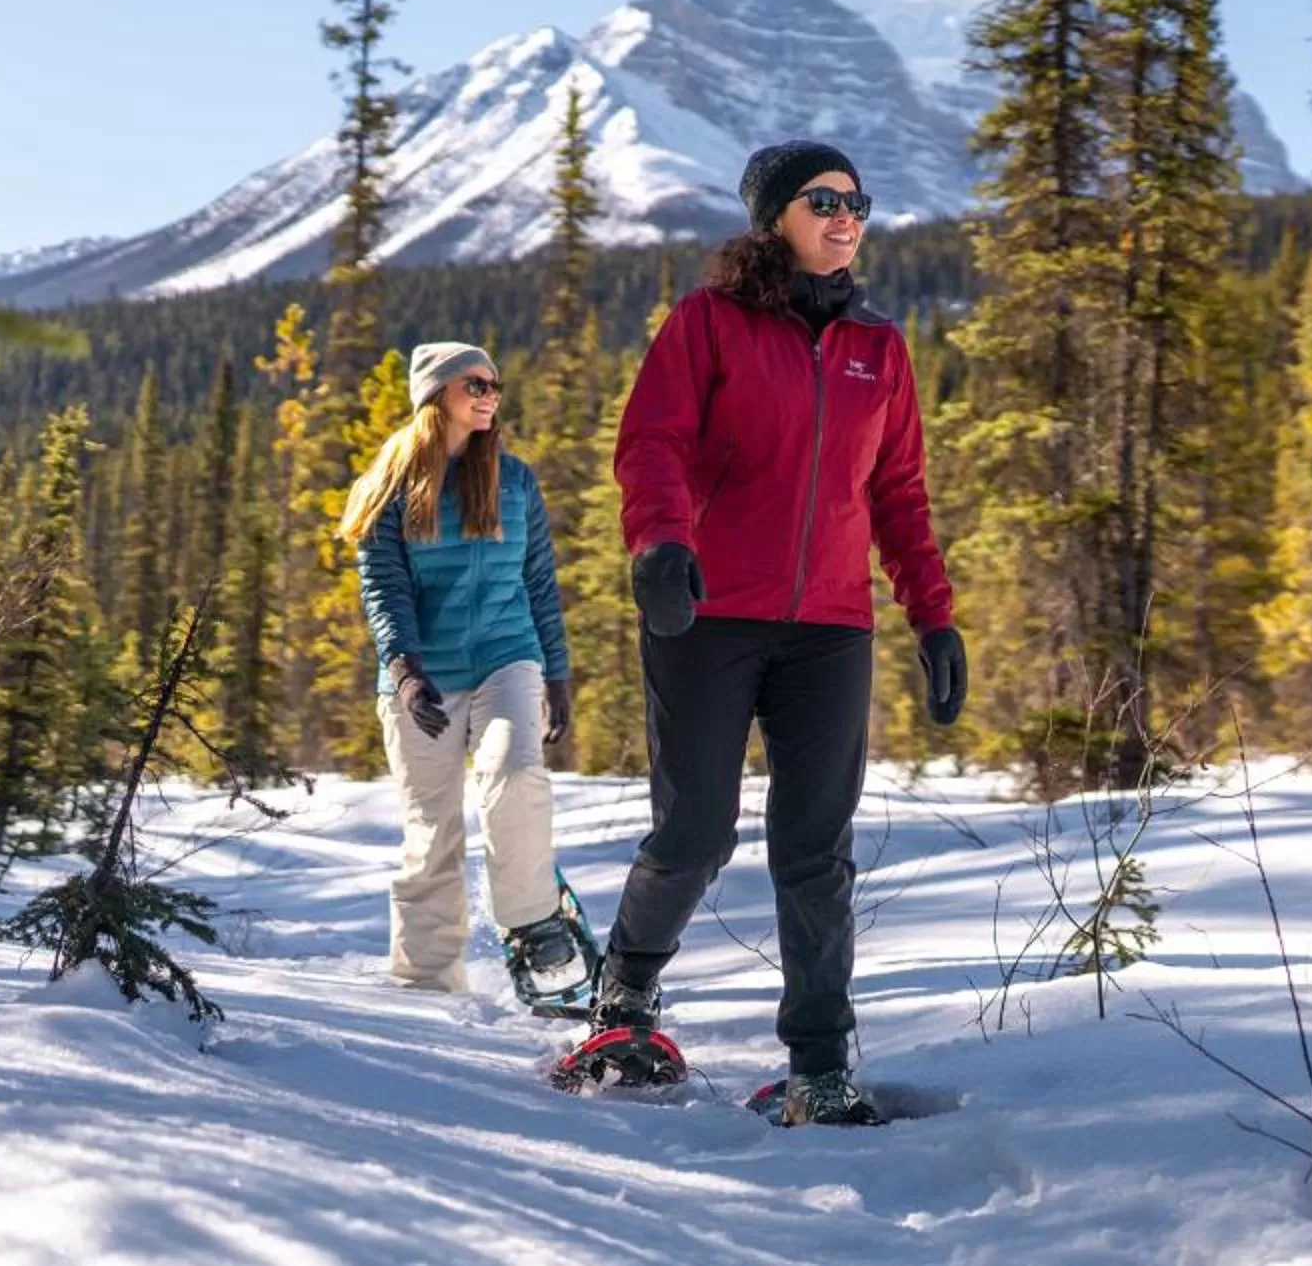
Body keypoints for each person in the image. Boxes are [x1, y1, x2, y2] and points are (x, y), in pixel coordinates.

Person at [590, 139, 969, 1126]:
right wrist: (662, 545)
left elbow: (898, 491)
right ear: (774, 218)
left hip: (832, 626)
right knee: (696, 825)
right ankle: (626, 985)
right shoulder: (709, 322)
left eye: (857, 200)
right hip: (707, 611)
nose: (847, 216)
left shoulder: (877, 345)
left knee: (814, 847)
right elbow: (653, 441)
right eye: (823, 200)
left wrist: (933, 615)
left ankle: (820, 1061)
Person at [344, 340, 579, 998]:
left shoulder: (515, 481)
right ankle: (426, 986)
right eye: (473, 383)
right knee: (432, 833)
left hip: (508, 660)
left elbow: (539, 583)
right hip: (424, 677)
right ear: (434, 394)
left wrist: (555, 676)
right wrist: (406, 669)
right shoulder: (390, 486)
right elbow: (383, 588)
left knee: (515, 772)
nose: (488, 395)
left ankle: (533, 926)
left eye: (494, 385)